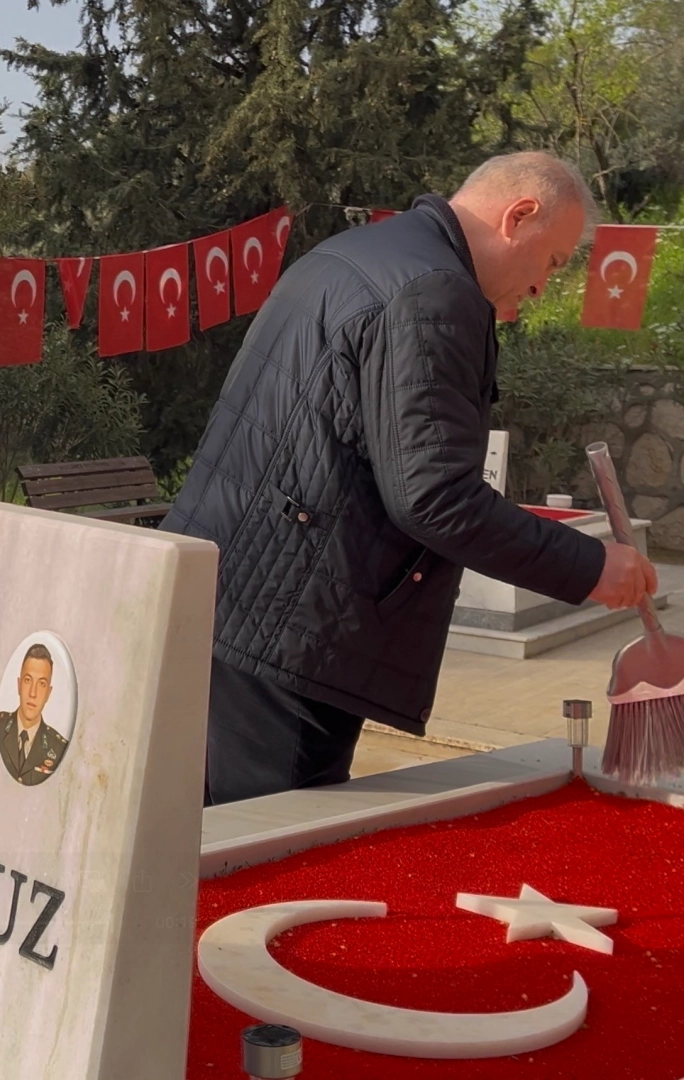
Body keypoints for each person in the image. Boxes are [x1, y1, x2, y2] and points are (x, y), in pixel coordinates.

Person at [160, 152, 657, 807]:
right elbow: (434, 497)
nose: (542, 286)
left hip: (229, 597)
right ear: (518, 216)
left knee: (204, 827)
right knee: (266, 843)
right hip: (294, 632)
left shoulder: (353, 253)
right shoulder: (434, 291)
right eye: (553, 260)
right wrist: (590, 566)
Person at [0, 644, 69, 785]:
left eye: (41, 684)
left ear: (48, 693)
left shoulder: (58, 748)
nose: (33, 693)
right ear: (19, 685)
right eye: (28, 680)